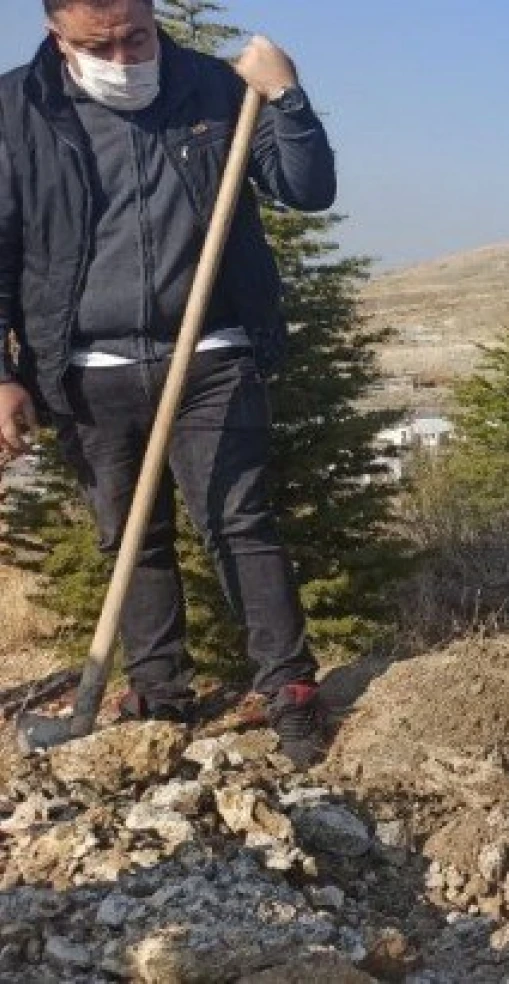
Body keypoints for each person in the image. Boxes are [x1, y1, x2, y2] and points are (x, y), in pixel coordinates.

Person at [0, 0, 338, 765]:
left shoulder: (215, 89)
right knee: (129, 538)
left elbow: (307, 188)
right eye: (99, 44)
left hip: (213, 355)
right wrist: (4, 375)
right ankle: (160, 695)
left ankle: (290, 694)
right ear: (57, 33)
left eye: (136, 37)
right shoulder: (15, 110)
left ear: (154, 17)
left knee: (241, 521)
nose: (123, 59)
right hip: (87, 368)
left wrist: (285, 97)